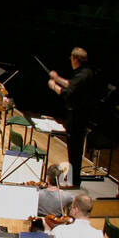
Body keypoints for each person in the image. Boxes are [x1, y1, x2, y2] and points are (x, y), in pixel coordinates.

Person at [48, 46, 96, 187]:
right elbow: (71, 84)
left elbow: (68, 92)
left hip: (78, 118)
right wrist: (57, 78)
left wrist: (53, 86)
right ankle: (73, 177)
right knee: (73, 149)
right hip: (76, 116)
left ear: (75, 59)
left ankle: (74, 181)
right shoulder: (83, 73)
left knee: (75, 149)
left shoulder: (83, 74)